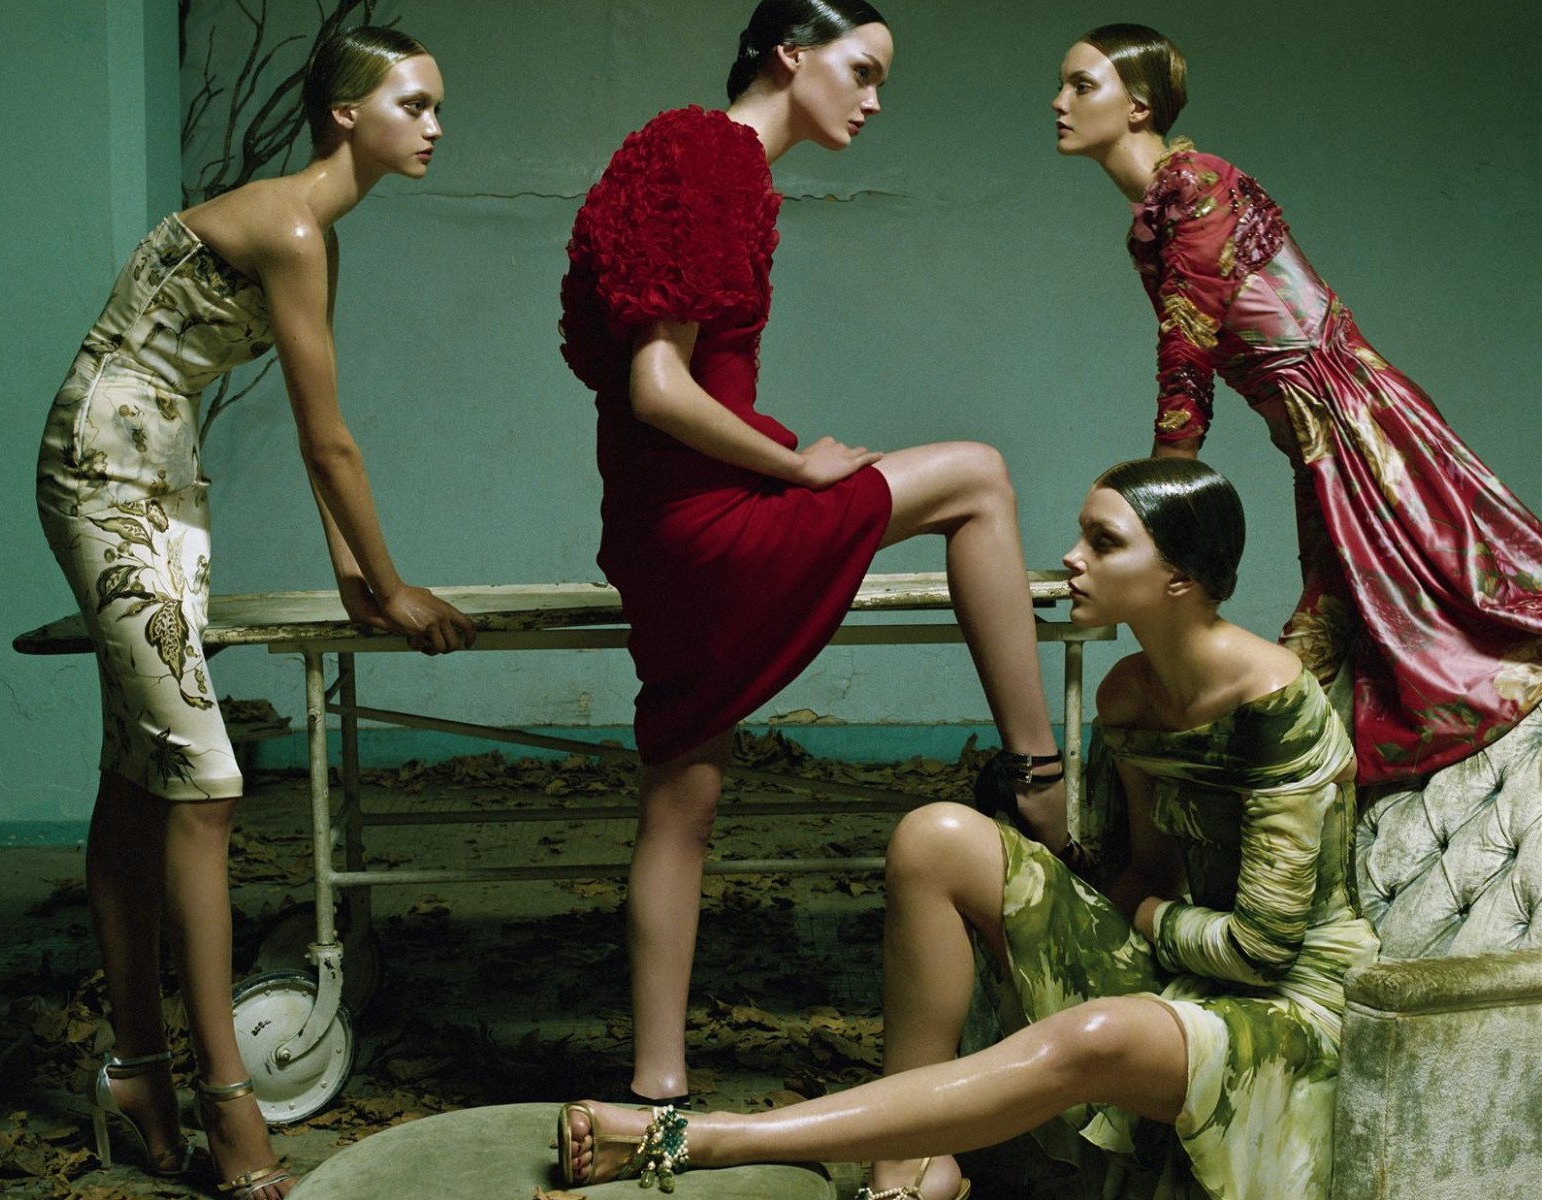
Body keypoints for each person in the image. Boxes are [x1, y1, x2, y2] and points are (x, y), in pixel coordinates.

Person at [557, 458, 1379, 1200]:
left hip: (1291, 1004)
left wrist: (1140, 914)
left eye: (1104, 542)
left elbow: (1260, 948)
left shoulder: (1275, 702)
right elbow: (1146, 875)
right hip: (1180, 958)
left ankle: (702, 1139)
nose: (1072, 558)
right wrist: (1108, 898)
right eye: (1081, 535)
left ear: (1179, 578)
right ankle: (910, 1175)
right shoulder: (1129, 694)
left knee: (1094, 1036)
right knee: (935, 837)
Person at [558, 0, 1074, 1109]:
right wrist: (796, 470)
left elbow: (657, 382)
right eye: (863, 69)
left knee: (681, 803)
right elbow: (657, 388)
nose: (874, 99)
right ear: (792, 54)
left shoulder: (698, 155)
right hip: (704, 528)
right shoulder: (712, 158)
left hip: (657, 529)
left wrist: (777, 460)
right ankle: (1041, 781)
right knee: (979, 477)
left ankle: (657, 1089)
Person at [34, 25, 476, 1200]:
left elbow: (312, 422)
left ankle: (137, 1074)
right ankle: (228, 1100)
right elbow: (331, 443)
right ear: (346, 114)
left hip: (167, 481)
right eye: (414, 104)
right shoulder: (288, 226)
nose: (435, 126)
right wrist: (391, 584)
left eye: (437, 106)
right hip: (103, 474)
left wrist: (350, 579)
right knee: (207, 783)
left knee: (141, 773)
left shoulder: (313, 235)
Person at [1051, 23, 1542, 787]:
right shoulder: (1158, 207)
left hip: (1357, 422)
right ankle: (1302, 781)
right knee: (1348, 613)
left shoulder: (1196, 186)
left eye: (1082, 85)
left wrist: (1161, 496)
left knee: (1465, 594)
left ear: (1138, 106)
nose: (1059, 102)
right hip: (1316, 436)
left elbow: (1188, 348)